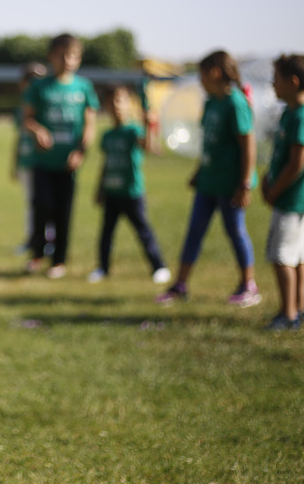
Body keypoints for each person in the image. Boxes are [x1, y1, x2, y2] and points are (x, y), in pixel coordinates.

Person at [156, 50, 260, 306]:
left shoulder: (235, 103)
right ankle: (180, 285)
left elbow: (248, 145)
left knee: (235, 231)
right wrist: (199, 172)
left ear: (214, 72)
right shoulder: (211, 102)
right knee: (194, 232)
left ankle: (249, 286)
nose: (199, 81)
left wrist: (244, 184)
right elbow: (210, 144)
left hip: (231, 183)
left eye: (201, 74)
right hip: (209, 181)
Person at [22, 33, 100, 279]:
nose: (67, 60)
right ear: (51, 57)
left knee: (63, 212)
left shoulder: (83, 87)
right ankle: (37, 254)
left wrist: (80, 152)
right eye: (62, 55)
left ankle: (59, 261)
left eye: (73, 55)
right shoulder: (40, 86)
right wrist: (38, 130)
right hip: (43, 162)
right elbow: (27, 119)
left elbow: (90, 124)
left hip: (68, 163)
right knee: (41, 208)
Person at [262, 55, 304, 330]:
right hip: (297, 198)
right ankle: (299, 307)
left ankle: (287, 315)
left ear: (293, 82)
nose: (272, 83)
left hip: (292, 199)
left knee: (281, 256)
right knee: (297, 256)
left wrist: (275, 189)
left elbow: (297, 161)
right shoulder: (292, 112)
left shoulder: (301, 117)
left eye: (276, 78)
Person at [89, 85, 170, 284]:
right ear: (106, 106)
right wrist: (99, 188)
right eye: (111, 101)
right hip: (112, 192)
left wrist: (149, 125)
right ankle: (103, 268)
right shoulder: (108, 136)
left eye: (120, 100)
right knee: (106, 233)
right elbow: (106, 164)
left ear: (129, 104)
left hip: (132, 192)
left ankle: (159, 267)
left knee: (143, 231)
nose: (116, 106)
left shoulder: (133, 130)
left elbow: (149, 147)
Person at [11, 62, 47, 253]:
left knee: (44, 204)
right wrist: (14, 163)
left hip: (41, 162)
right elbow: (19, 137)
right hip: (26, 162)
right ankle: (33, 239)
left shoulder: (45, 105)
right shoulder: (22, 108)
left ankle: (46, 241)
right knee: (31, 204)